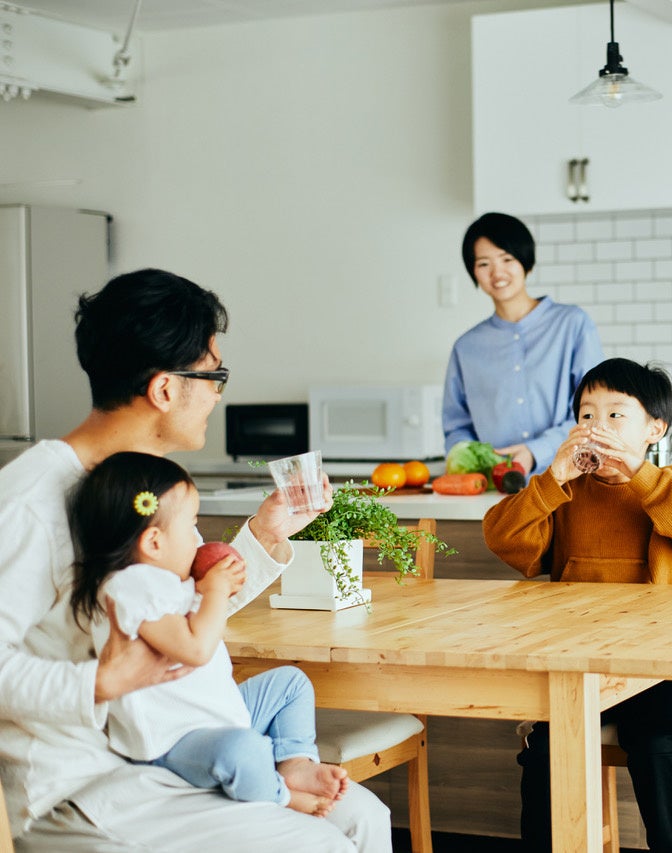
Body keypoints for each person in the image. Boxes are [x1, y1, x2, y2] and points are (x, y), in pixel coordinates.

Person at [0, 268, 391, 852]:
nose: (216, 393)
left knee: (364, 818)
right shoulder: (32, 500)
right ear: (164, 389)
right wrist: (98, 682)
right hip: (86, 785)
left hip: (165, 748)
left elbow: (178, 616)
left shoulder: (144, 486)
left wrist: (262, 534)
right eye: (215, 376)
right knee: (322, 844)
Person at [481, 358, 672, 853]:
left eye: (616, 415)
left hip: (660, 664)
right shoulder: (564, 491)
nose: (598, 426)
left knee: (656, 742)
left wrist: (639, 475)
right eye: (587, 415)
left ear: (654, 429)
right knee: (549, 750)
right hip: (578, 662)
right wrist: (552, 477)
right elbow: (502, 538)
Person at [68, 451, 349, 817]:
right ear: (153, 543)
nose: (196, 538)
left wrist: (231, 567)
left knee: (291, 683)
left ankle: (294, 761)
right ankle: (281, 794)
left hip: (217, 716)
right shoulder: (130, 587)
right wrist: (214, 590)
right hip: (174, 740)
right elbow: (195, 649)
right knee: (246, 751)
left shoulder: (171, 579)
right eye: (190, 526)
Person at [442, 211, 604, 475]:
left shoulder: (572, 324)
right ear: (473, 271)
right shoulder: (466, 347)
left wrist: (535, 451)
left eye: (507, 259)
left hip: (569, 484)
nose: (497, 273)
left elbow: (596, 411)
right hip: (497, 493)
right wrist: (476, 461)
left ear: (525, 262)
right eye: (483, 264)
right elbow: (456, 427)